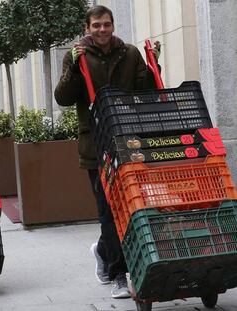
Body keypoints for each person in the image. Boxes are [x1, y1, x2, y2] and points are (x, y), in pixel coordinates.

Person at [54, 5, 160, 299]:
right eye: (97, 25)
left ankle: (102, 251)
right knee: (109, 209)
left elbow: (146, 91)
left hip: (128, 140)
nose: (103, 30)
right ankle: (118, 274)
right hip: (96, 144)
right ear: (87, 28)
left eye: (107, 24)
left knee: (131, 205)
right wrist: (74, 69)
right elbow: (63, 97)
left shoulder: (129, 53)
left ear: (113, 25)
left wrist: (154, 66)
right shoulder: (76, 55)